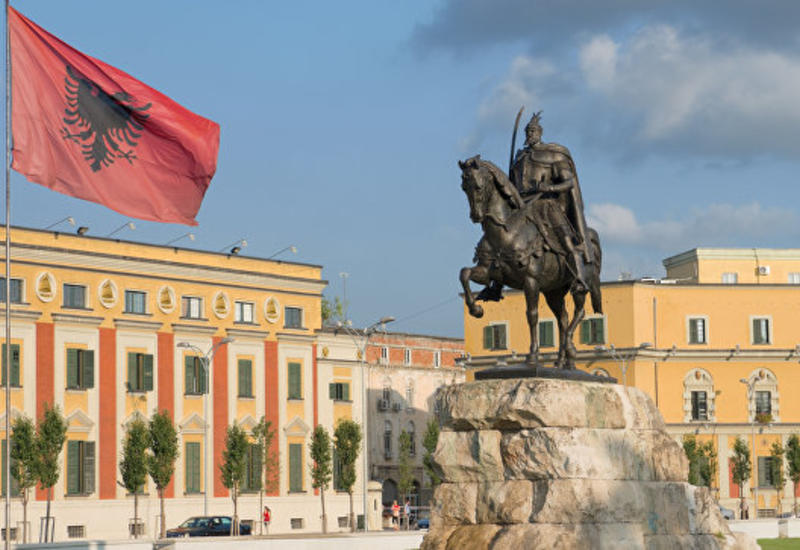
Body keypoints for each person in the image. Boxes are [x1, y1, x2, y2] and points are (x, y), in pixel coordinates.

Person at [509, 111, 592, 291]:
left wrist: (549, 188)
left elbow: (569, 182)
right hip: (522, 207)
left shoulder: (552, 155)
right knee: (500, 236)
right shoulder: (520, 157)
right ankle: (494, 283)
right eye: (528, 131)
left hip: (546, 205)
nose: (530, 134)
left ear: (540, 133)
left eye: (533, 131)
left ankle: (579, 278)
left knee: (566, 240)